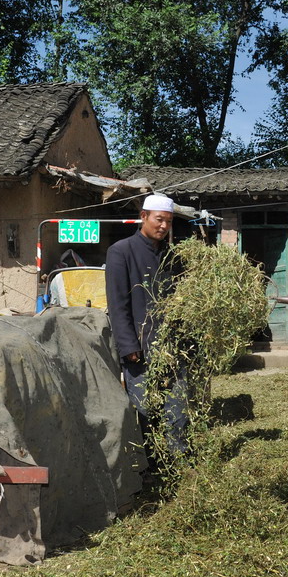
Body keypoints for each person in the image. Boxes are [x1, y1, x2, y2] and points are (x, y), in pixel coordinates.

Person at [105, 193, 189, 459]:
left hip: (173, 346)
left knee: (178, 406)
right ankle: (147, 463)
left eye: (169, 222)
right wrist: (129, 346)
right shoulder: (121, 251)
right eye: (159, 220)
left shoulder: (173, 256)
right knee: (144, 409)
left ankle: (178, 459)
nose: (164, 226)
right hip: (140, 348)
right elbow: (118, 304)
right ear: (144, 217)